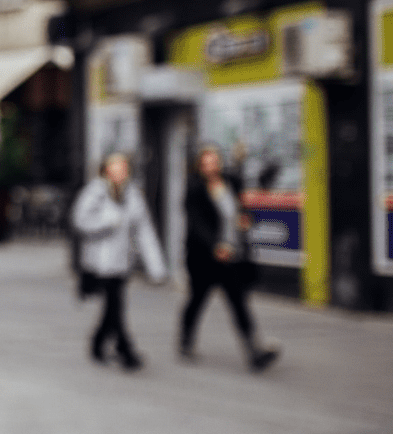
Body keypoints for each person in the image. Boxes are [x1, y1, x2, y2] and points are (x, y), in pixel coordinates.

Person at [179, 144, 280, 371]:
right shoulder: (194, 189)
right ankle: (185, 339)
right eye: (206, 163)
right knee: (197, 300)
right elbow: (197, 224)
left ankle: (254, 352)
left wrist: (246, 219)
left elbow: (240, 209)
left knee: (238, 303)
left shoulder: (231, 182)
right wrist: (215, 246)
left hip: (230, 256)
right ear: (199, 166)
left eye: (214, 161)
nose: (211, 166)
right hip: (204, 258)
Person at [72, 152, 166, 370]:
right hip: (100, 262)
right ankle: (126, 351)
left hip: (122, 262)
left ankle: (97, 343)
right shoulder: (95, 192)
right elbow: (79, 220)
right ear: (105, 169)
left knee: (113, 307)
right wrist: (107, 221)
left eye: (123, 167)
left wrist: (156, 267)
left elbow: (144, 232)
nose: (120, 171)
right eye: (115, 167)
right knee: (115, 306)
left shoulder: (133, 195)